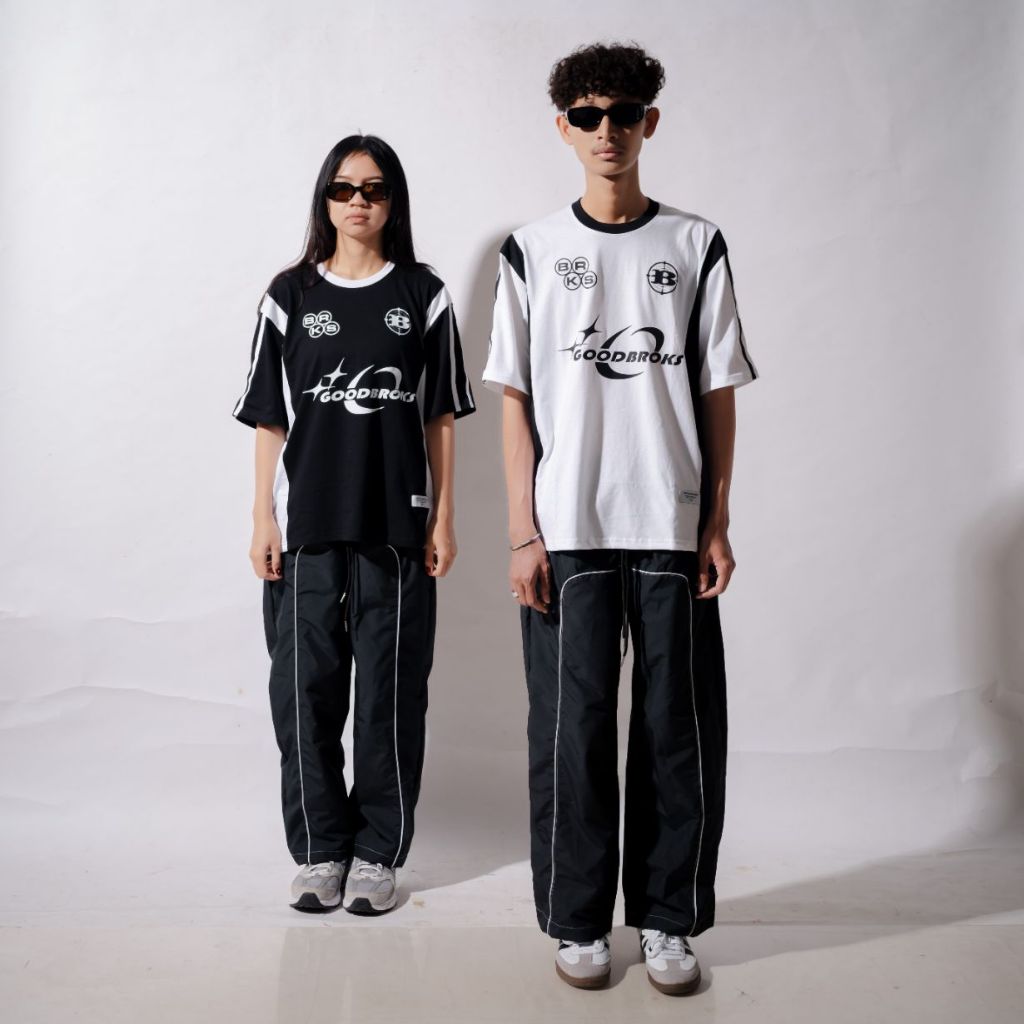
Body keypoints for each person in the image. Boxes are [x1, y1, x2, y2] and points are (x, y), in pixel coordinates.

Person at [482, 43, 758, 993]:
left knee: (678, 731)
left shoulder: (695, 244)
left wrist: (716, 519)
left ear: (651, 123)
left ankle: (669, 921)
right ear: (564, 127)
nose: (610, 131)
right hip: (569, 528)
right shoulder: (529, 250)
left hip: (671, 527)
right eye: (590, 116)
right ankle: (576, 922)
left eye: (626, 114)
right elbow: (514, 399)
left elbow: (718, 389)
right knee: (574, 732)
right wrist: (522, 530)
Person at [233, 135, 475, 915]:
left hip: (397, 526)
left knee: (389, 695)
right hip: (307, 527)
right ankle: (320, 850)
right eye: (343, 188)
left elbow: (440, 415)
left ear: (393, 200)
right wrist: (262, 515)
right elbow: (269, 417)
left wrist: (444, 514)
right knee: (303, 692)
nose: (358, 201)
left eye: (373, 188)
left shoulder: (423, 294)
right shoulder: (290, 295)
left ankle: (376, 853)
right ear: (325, 200)